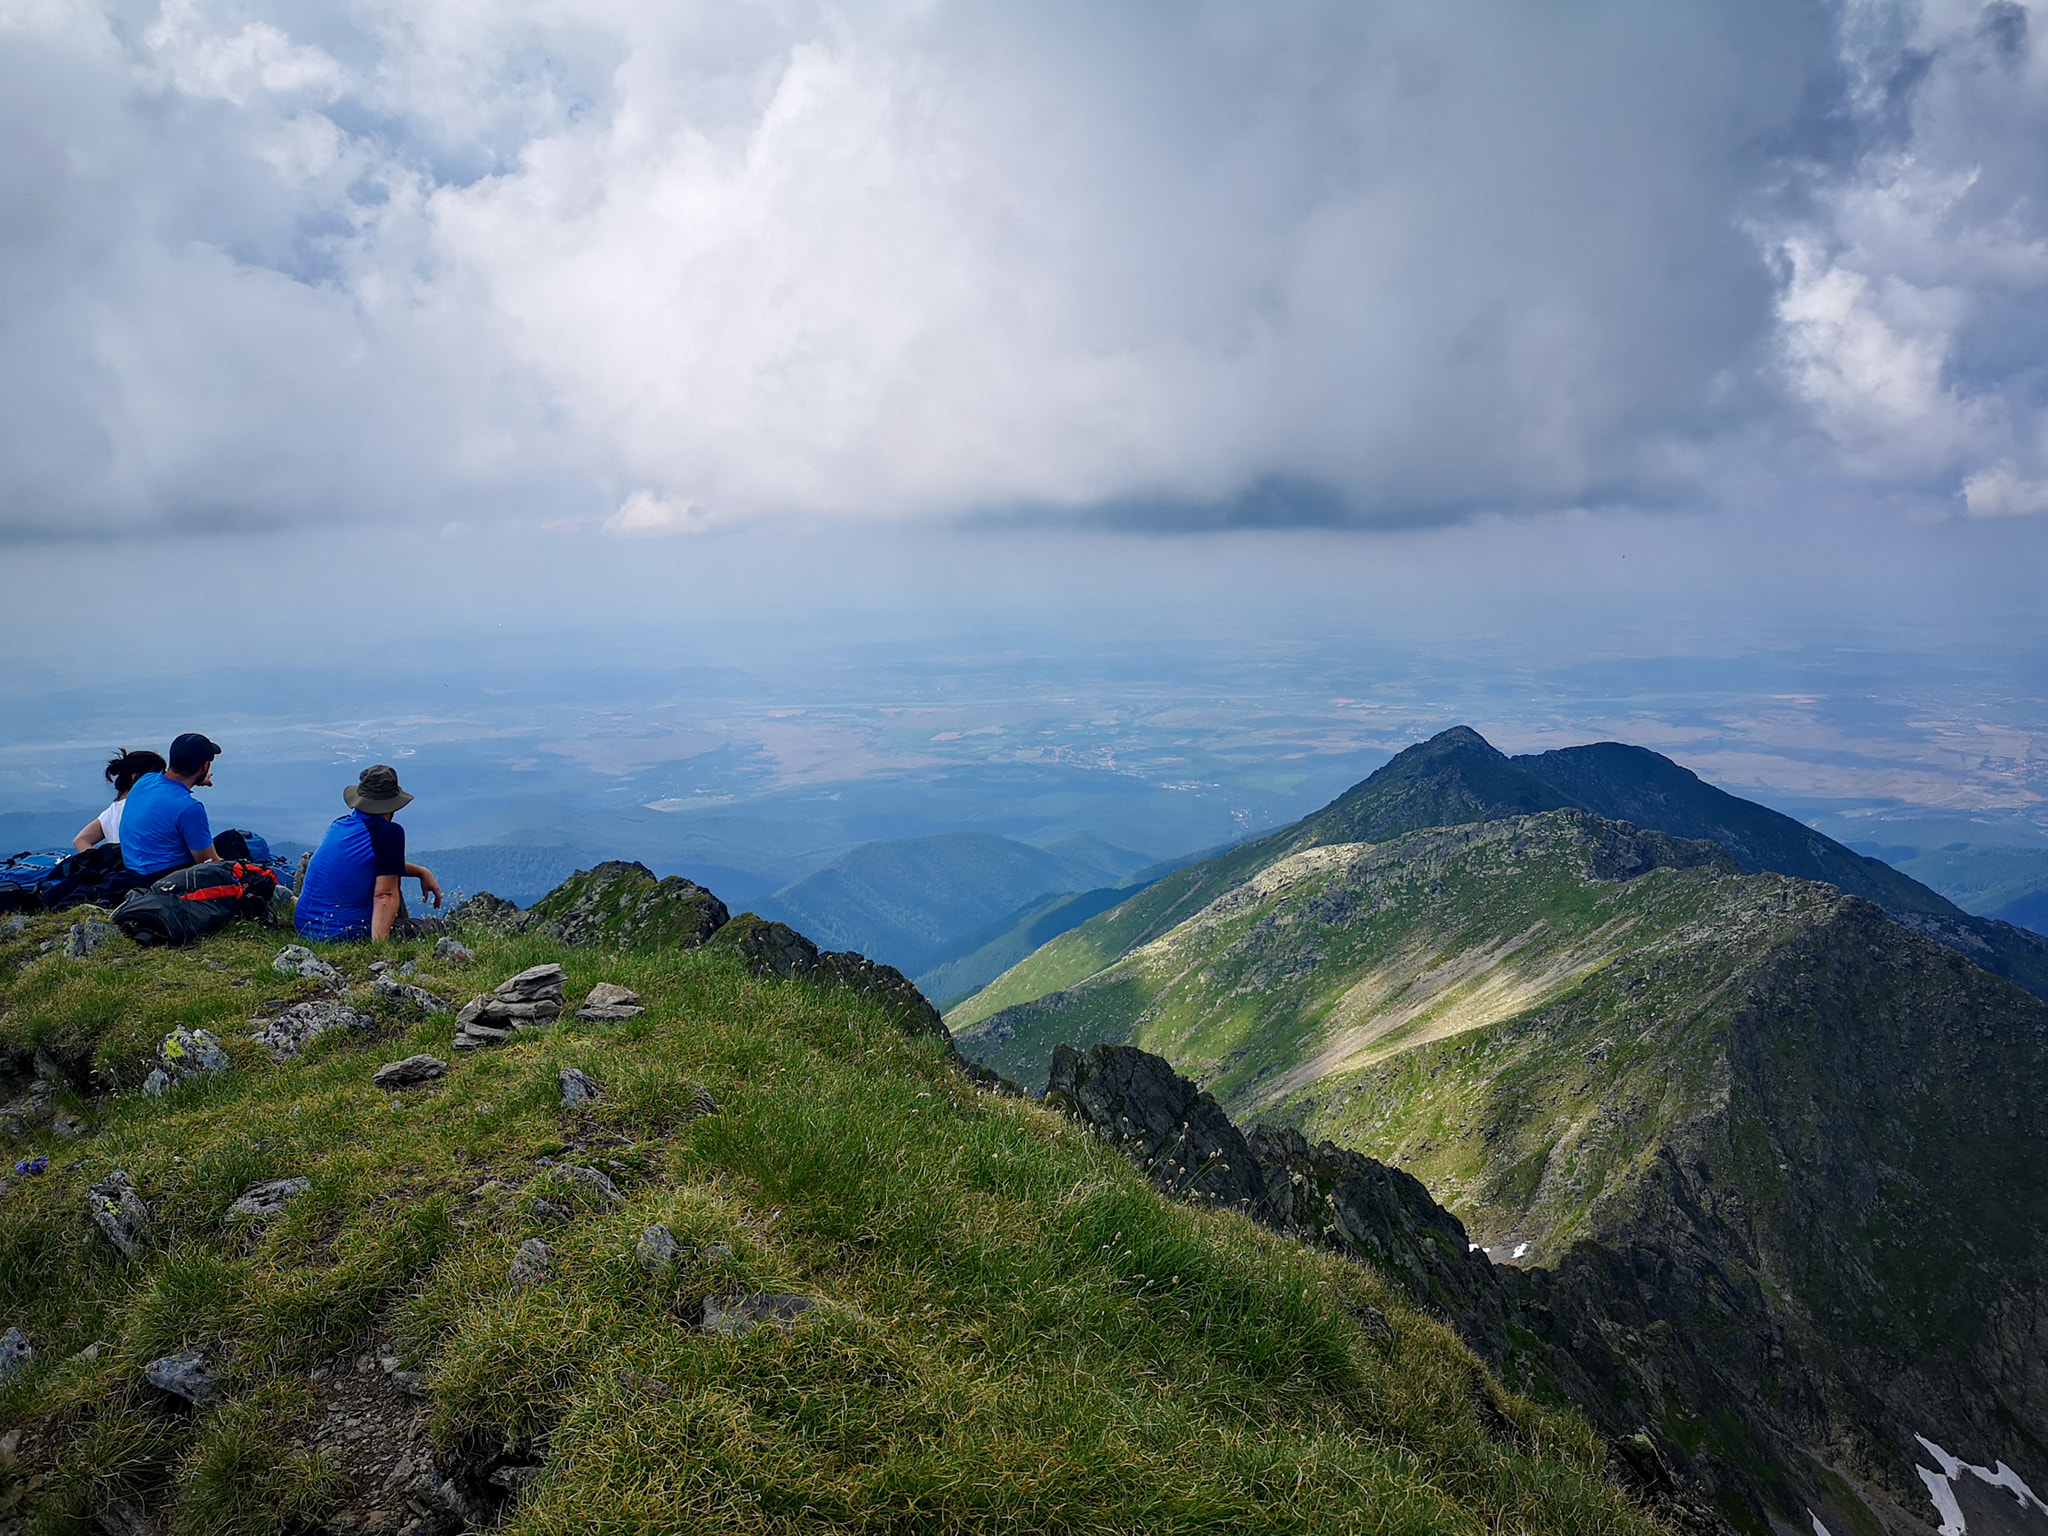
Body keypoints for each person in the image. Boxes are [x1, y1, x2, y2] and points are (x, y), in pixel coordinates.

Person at [295, 764, 443, 942]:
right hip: (345, 934)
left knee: (389, 876)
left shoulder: (339, 825)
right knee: (445, 928)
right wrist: (380, 949)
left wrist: (421, 872)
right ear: (392, 804)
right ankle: (387, 933)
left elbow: (369, 865)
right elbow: (384, 895)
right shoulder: (390, 833)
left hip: (306, 928)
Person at [120, 733, 224, 879]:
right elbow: (208, 863)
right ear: (205, 766)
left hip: (133, 872)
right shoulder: (190, 808)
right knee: (233, 842)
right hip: (164, 878)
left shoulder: (144, 781)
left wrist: (198, 777)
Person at [73, 748, 167, 851]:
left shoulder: (109, 813)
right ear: (136, 778)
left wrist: (102, 862)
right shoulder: (146, 807)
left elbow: (81, 840)